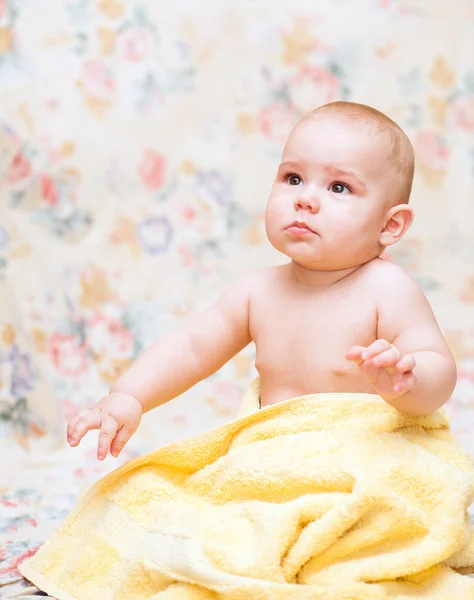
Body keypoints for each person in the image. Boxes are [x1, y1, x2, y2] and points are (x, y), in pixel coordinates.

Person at [67, 101, 457, 461]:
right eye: (293, 178)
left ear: (390, 225)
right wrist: (129, 396)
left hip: (364, 458)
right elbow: (191, 348)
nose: (305, 199)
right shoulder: (257, 292)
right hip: (276, 458)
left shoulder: (386, 289)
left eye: (339, 187)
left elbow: (438, 367)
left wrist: (409, 379)